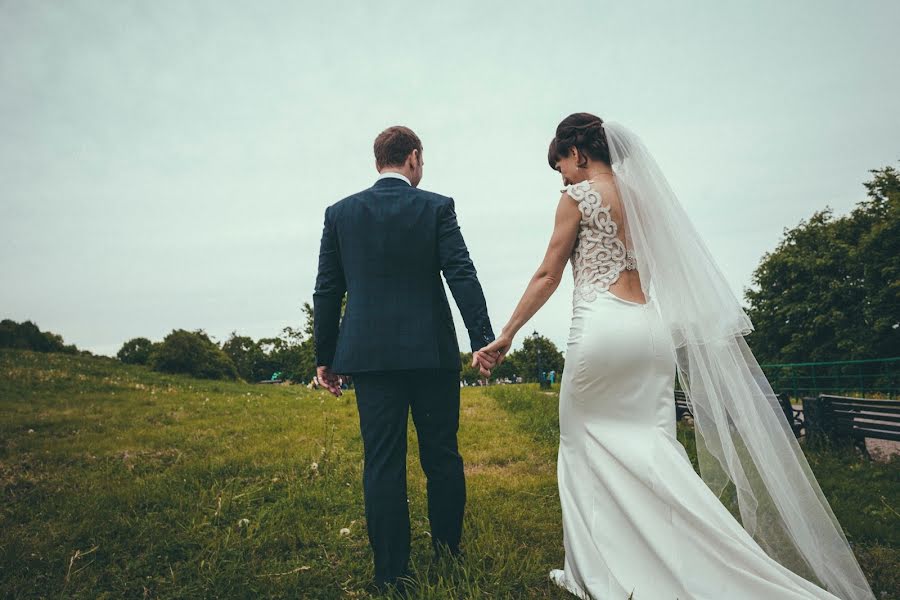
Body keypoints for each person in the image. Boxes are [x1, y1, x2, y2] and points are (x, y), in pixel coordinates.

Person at [479, 114, 874, 600]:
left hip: (601, 328)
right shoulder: (646, 200)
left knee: (581, 444)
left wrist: (508, 333)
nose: (561, 176)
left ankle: (595, 570)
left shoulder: (577, 198)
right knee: (656, 449)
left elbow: (548, 274)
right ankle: (694, 554)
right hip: (651, 333)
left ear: (578, 154)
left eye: (560, 164)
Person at [312, 125, 497, 593]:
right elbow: (461, 272)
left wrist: (325, 356)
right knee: (442, 456)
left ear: (380, 161)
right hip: (430, 353)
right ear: (413, 157)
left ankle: (391, 574)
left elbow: (327, 289)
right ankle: (448, 556)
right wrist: (483, 338)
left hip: (369, 358)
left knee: (382, 462)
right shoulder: (436, 207)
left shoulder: (340, 214)